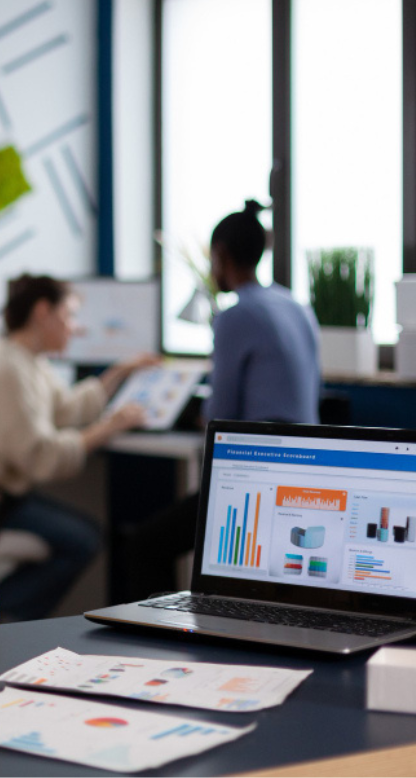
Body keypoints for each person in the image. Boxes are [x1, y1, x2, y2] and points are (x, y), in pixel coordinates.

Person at [115, 200, 321, 601]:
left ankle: (155, 643)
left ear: (220, 255)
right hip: (306, 469)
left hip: (260, 474)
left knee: (144, 545)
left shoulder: (235, 317)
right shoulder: (295, 306)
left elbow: (220, 418)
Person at [0, 275, 154, 622]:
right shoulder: (9, 369)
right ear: (43, 311)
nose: (75, 328)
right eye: (70, 315)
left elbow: (67, 408)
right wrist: (108, 428)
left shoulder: (27, 360)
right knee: (83, 540)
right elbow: (40, 458)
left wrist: (120, 372)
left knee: (83, 534)